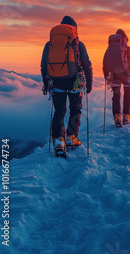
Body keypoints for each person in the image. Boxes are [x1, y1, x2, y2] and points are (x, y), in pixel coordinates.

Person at [41, 16, 93, 156]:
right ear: (74, 29)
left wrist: (46, 84)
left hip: (56, 82)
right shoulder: (78, 44)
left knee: (59, 111)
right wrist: (89, 84)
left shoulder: (49, 44)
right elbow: (87, 65)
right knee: (75, 109)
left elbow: (43, 66)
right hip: (75, 82)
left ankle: (59, 141)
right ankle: (72, 138)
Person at [103, 29, 130, 127]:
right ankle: (126, 116)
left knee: (116, 96)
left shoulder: (109, 49)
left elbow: (105, 63)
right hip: (127, 75)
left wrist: (106, 76)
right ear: (125, 38)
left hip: (114, 75)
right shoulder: (128, 49)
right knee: (127, 96)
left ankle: (117, 116)